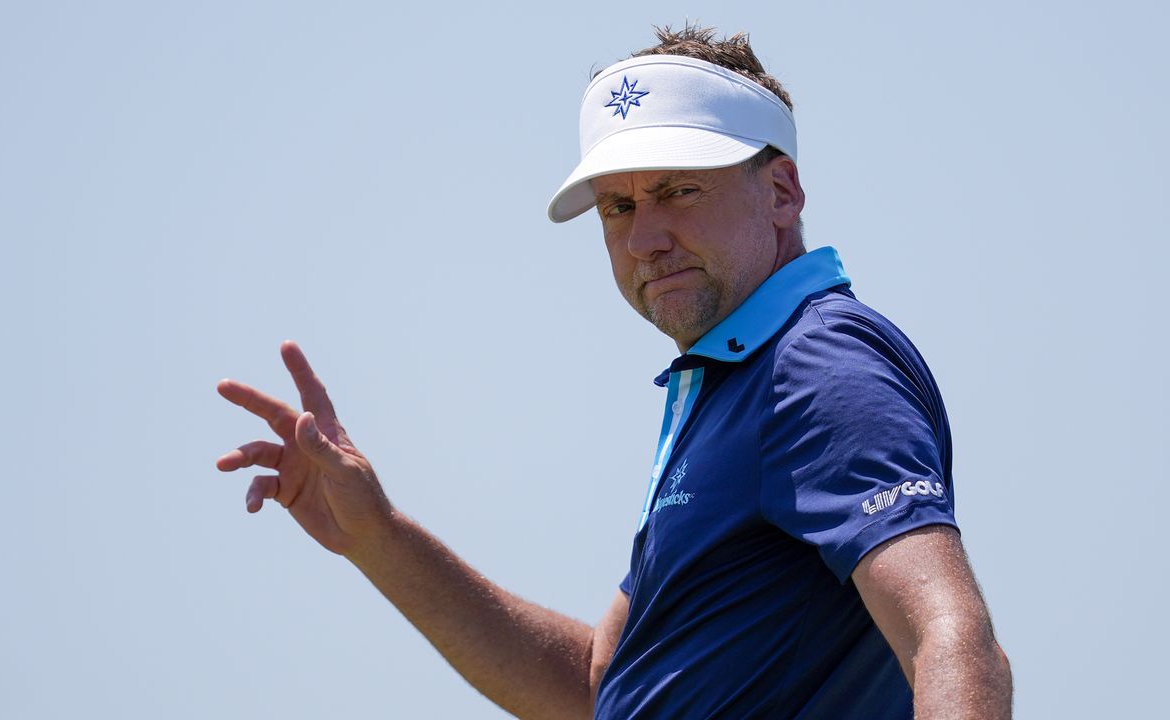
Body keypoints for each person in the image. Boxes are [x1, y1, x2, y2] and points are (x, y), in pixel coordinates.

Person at [215, 25, 1012, 719]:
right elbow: (600, 687)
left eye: (678, 192)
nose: (644, 240)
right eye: (619, 207)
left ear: (781, 191)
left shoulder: (816, 364)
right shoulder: (731, 383)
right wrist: (379, 540)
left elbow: (947, 631)